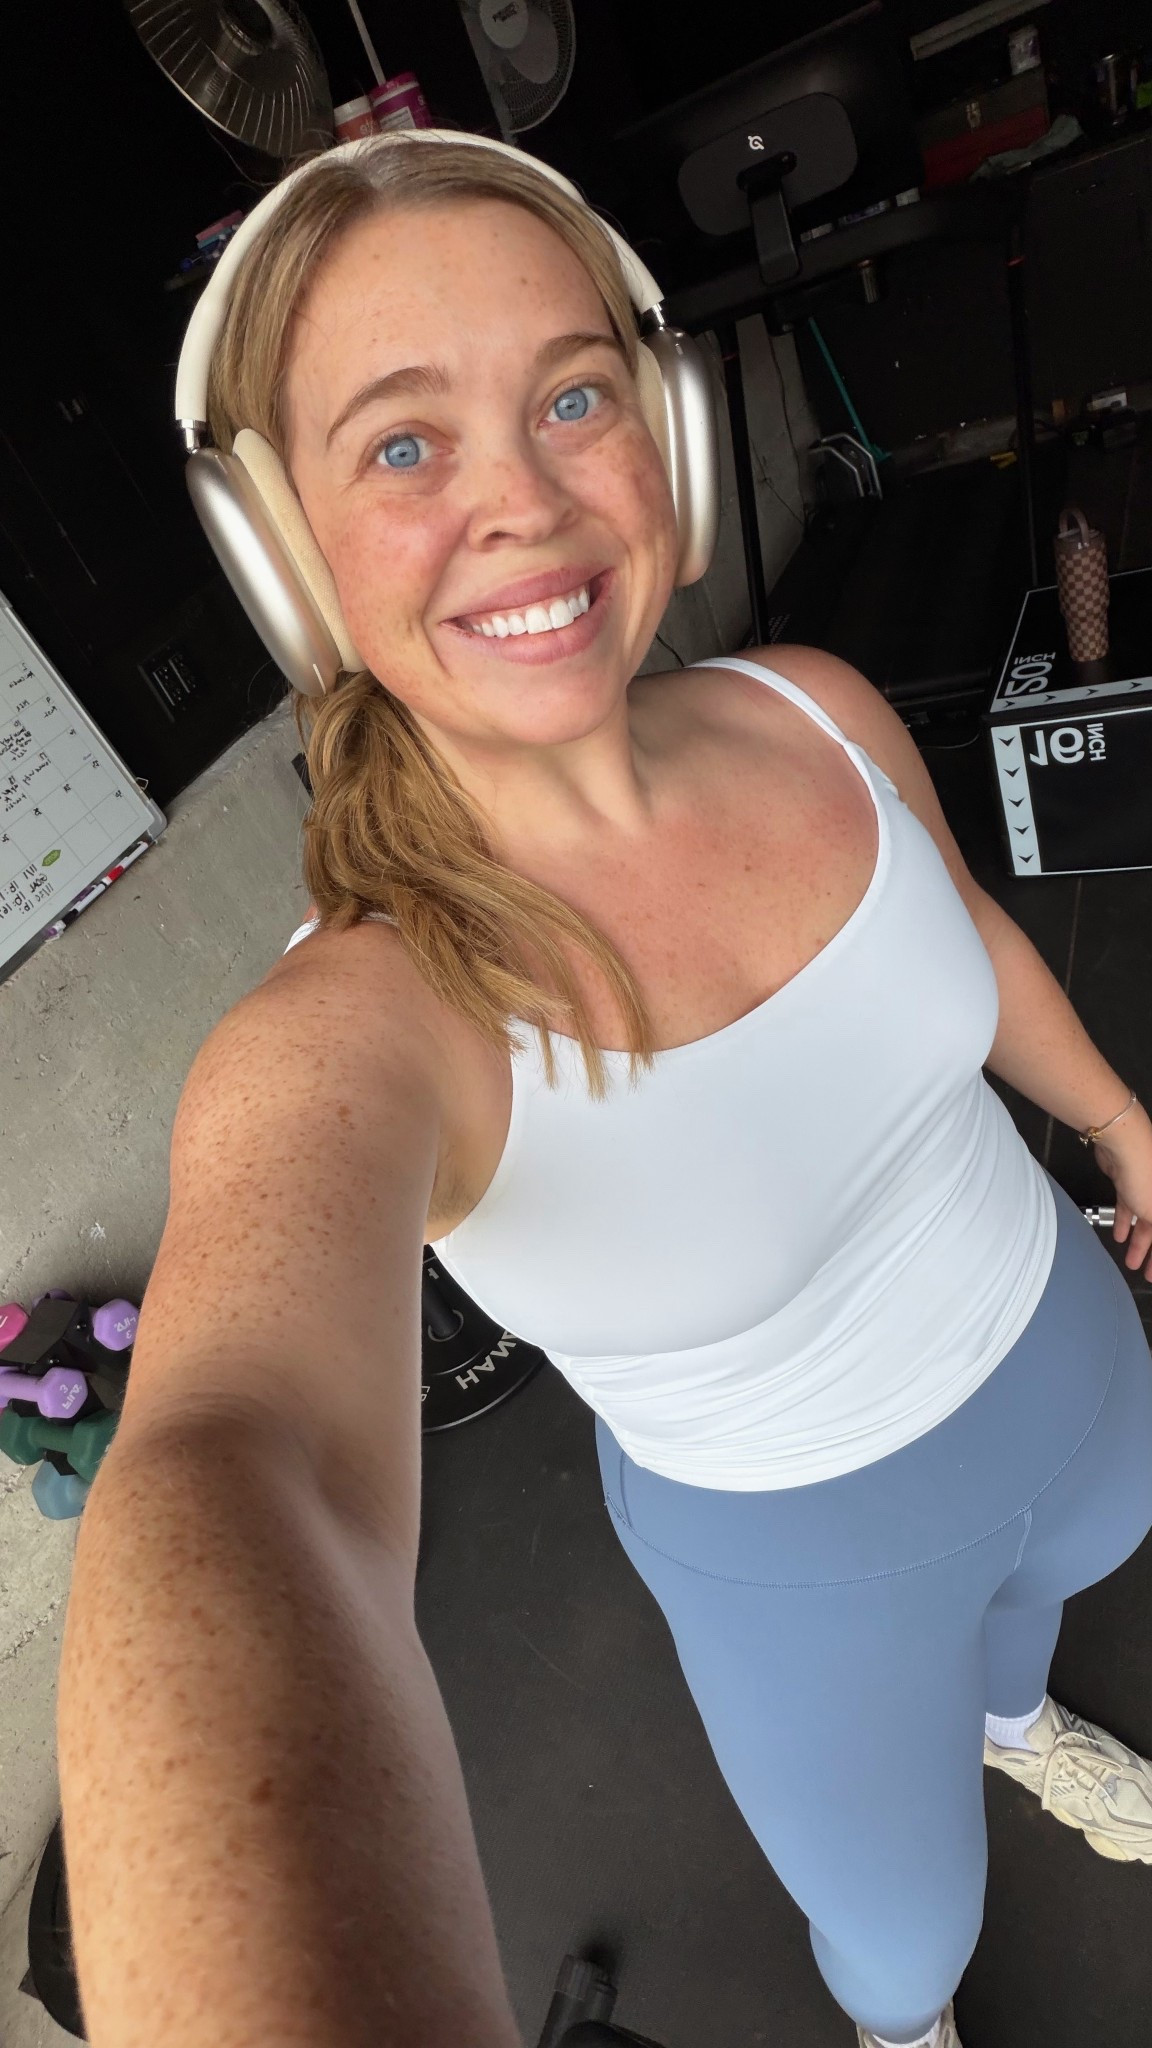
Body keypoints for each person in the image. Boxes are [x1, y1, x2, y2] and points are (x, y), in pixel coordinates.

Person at [56, 134, 1152, 2048]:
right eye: (404, 444)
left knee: (1044, 1602)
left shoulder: (817, 707)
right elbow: (244, 1466)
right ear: (288, 562)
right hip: (804, 1566)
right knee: (904, 1947)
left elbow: (967, 938)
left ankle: (1006, 1715)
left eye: (572, 398)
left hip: (1069, 1359)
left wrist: (1128, 1126)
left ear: (672, 442)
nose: (522, 498)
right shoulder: (367, 1018)